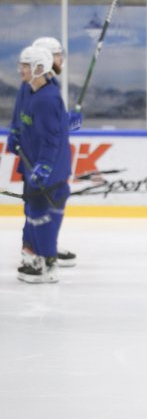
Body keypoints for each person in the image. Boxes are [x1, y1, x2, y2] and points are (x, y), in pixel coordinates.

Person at [8, 46, 72, 283]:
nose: (21, 70)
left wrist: (44, 165)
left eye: (25, 66)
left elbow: (52, 138)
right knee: (35, 212)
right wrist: (17, 137)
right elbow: (28, 126)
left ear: (39, 68)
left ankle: (48, 263)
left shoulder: (46, 100)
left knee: (39, 213)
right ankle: (43, 260)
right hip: (35, 166)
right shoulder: (33, 94)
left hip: (47, 170)